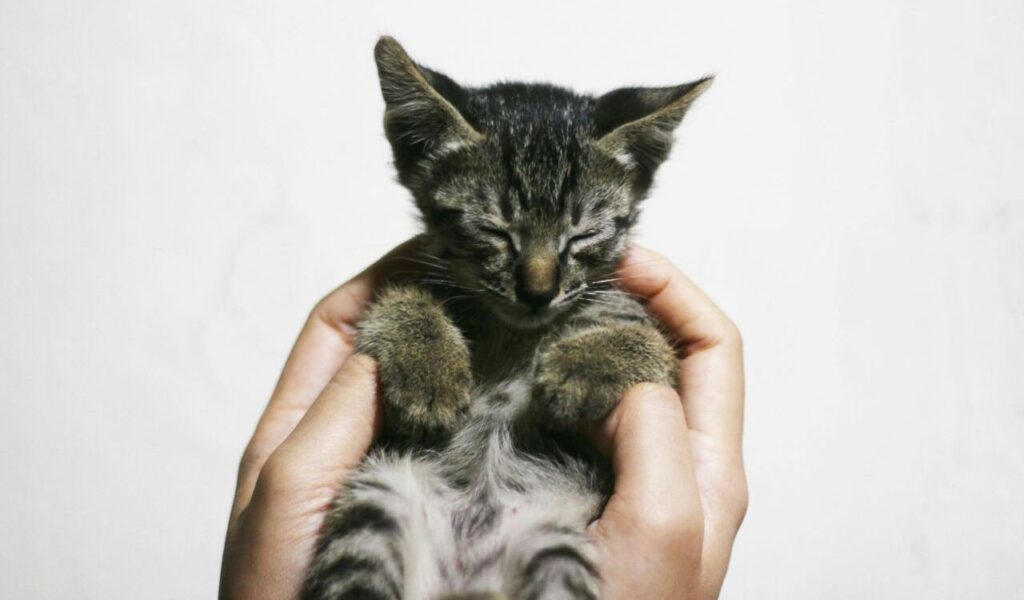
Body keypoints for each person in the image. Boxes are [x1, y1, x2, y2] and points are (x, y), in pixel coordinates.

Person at [219, 241, 748, 600]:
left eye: (578, 235)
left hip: (545, 527)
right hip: (409, 515)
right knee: (379, 498)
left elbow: (652, 359)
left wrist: (631, 352)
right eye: (496, 233)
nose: (539, 281)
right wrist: (411, 321)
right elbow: (391, 322)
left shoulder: (613, 304)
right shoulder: (434, 292)